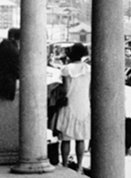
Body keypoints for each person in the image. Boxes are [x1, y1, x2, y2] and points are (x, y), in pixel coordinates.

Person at [54, 43, 91, 173]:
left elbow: (65, 90)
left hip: (69, 103)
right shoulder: (88, 69)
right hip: (84, 104)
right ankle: (80, 166)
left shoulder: (66, 69)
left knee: (65, 138)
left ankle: (64, 165)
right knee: (81, 138)